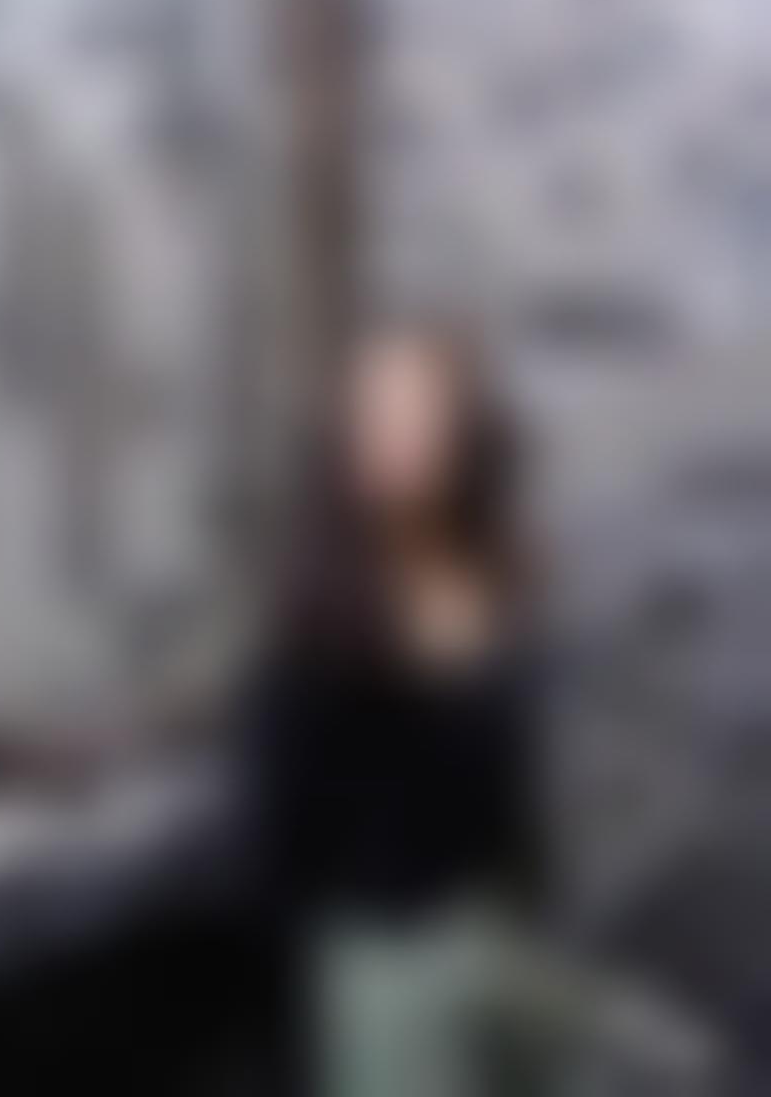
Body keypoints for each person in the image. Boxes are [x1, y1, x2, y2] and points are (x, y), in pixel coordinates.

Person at [233, 318, 549, 1097]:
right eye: (373, 413)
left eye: (417, 411)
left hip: (491, 933)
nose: (394, 435)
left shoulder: (492, 578)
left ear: (461, 430)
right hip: (382, 960)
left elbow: (508, 789)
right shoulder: (317, 616)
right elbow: (279, 838)